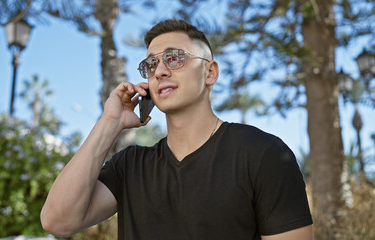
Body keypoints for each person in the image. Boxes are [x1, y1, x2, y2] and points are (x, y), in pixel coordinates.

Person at [40, 19, 313, 240]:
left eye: (174, 58)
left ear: (210, 73)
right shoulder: (130, 167)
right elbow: (58, 221)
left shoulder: (263, 154)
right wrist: (109, 123)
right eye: (151, 64)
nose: (159, 71)